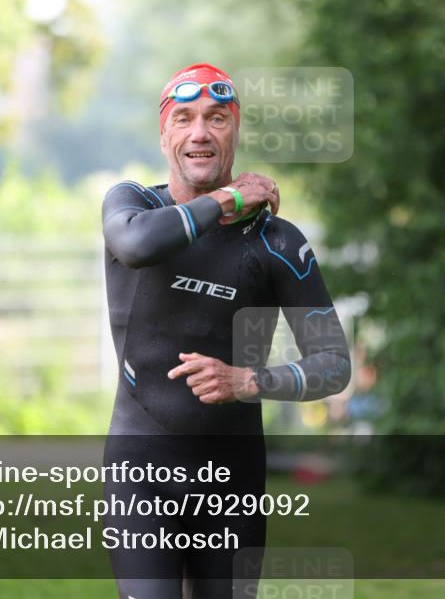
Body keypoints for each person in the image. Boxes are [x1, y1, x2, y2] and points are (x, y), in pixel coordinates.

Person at [100, 62, 351, 598]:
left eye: (217, 118)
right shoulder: (135, 207)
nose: (200, 132)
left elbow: (334, 364)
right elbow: (136, 247)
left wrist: (245, 382)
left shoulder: (277, 242)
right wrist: (228, 200)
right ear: (164, 133)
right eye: (185, 118)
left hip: (231, 478)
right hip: (143, 465)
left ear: (234, 131)